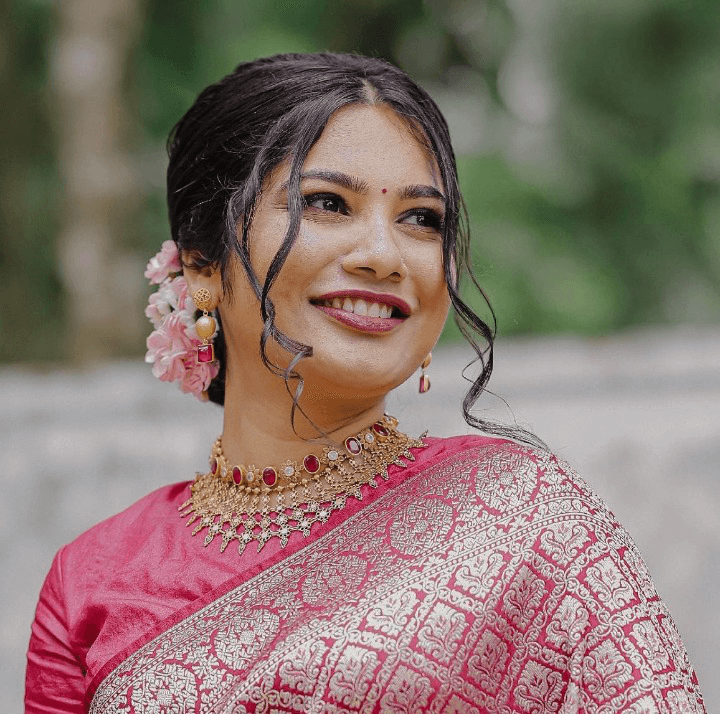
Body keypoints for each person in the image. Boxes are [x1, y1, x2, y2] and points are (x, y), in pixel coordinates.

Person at [25, 52, 705, 713]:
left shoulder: (523, 518)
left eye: (421, 219)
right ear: (202, 263)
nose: (383, 255)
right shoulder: (93, 581)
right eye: (326, 203)